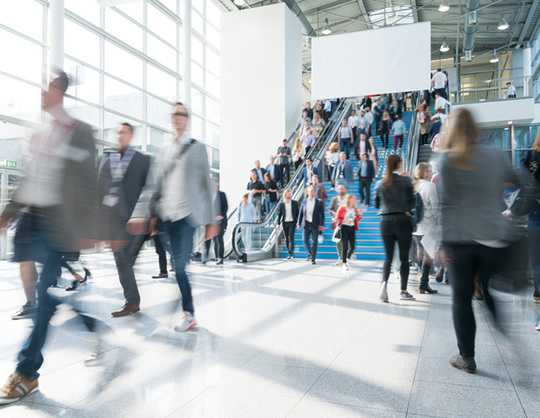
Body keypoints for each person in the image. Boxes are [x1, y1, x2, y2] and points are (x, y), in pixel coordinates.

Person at [0, 71, 100, 405]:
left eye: (47, 86)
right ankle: (84, 316)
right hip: (33, 221)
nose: (42, 92)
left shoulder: (80, 131)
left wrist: (90, 228)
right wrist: (6, 215)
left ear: (59, 90)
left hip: (61, 224)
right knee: (47, 294)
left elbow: (89, 182)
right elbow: (30, 179)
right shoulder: (41, 134)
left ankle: (27, 373)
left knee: (45, 295)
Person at [439, 108, 522, 373]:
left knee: (461, 298)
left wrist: (443, 243)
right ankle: (509, 343)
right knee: (486, 292)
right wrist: (501, 201)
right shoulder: (495, 155)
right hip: (493, 237)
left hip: (460, 240)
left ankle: (467, 358)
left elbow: (448, 206)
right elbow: (519, 181)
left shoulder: (448, 161)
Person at [142, 102, 217, 333]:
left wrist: (211, 220)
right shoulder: (165, 149)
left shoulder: (197, 148)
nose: (177, 118)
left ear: (187, 119)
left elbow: (206, 184)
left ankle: (189, 313)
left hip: (187, 216)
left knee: (181, 267)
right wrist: (152, 213)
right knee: (177, 265)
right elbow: (156, 184)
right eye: (174, 114)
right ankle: (184, 306)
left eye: (181, 114)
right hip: (167, 215)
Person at [97, 123, 152, 317]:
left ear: (131, 136)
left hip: (134, 219)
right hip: (112, 218)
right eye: (118, 131)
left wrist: (147, 216)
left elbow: (149, 189)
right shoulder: (106, 159)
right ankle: (132, 300)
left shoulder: (142, 160)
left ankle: (132, 301)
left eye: (124, 132)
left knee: (124, 260)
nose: (120, 135)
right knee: (123, 260)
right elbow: (99, 189)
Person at [375, 154, 415, 302]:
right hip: (403, 221)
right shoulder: (406, 181)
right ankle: (403, 292)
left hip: (385, 221)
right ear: (399, 165)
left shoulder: (379, 184)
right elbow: (412, 204)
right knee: (404, 258)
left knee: (388, 257)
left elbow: (376, 205)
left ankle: (383, 285)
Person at [412, 163, 439, 294]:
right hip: (428, 227)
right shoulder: (430, 186)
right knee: (428, 257)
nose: (431, 172)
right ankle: (423, 284)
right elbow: (434, 208)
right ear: (425, 173)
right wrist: (439, 222)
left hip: (415, 227)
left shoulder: (414, 186)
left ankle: (423, 283)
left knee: (421, 255)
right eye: (429, 170)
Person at [297, 186, 325, 265]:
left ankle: (313, 258)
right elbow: (301, 214)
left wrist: (321, 224)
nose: (313, 193)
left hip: (315, 224)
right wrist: (298, 223)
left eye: (314, 191)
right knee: (305, 240)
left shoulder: (319, 202)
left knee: (314, 242)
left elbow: (322, 215)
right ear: (308, 193)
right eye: (311, 191)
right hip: (306, 224)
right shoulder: (304, 202)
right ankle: (312, 254)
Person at [203, 180, 228, 265]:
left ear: (217, 184)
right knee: (207, 240)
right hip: (210, 221)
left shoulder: (222, 195)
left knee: (219, 239)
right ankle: (205, 257)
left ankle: (220, 258)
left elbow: (225, 207)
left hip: (220, 221)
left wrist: (221, 215)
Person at [336, 194, 362, 270]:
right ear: (349, 199)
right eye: (353, 198)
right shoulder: (342, 208)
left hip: (352, 228)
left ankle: (346, 258)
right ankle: (344, 263)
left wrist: (360, 214)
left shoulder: (355, 209)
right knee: (345, 247)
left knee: (353, 247)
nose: (355, 199)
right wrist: (344, 220)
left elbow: (357, 219)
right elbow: (337, 218)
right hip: (344, 228)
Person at [276, 189, 299, 260]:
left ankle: (290, 254)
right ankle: (289, 251)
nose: (289, 195)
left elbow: (298, 213)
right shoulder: (282, 204)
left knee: (291, 237)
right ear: (285, 195)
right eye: (288, 194)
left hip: (292, 222)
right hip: (285, 223)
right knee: (286, 239)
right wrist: (278, 223)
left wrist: (299, 222)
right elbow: (279, 215)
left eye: (290, 194)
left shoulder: (295, 203)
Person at [329, 185, 348, 265]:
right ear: (337, 190)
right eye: (340, 189)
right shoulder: (334, 199)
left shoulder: (348, 199)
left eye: (342, 189)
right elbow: (330, 209)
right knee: (338, 240)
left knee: (347, 241)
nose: (341, 191)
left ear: (345, 190)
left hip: (347, 222)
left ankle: (346, 256)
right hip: (338, 223)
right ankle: (340, 257)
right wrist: (335, 214)